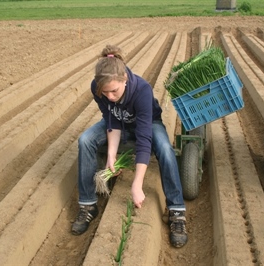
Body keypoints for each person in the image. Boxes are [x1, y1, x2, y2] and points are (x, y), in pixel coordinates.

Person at [71, 44, 188, 248]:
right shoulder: (98, 88)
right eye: (105, 93)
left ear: (124, 78)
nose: (109, 96)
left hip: (147, 123)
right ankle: (88, 205)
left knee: (165, 149)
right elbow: (112, 120)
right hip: (119, 125)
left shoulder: (141, 90)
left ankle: (176, 210)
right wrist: (111, 156)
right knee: (85, 140)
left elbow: (144, 139)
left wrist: (136, 184)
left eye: (114, 91)